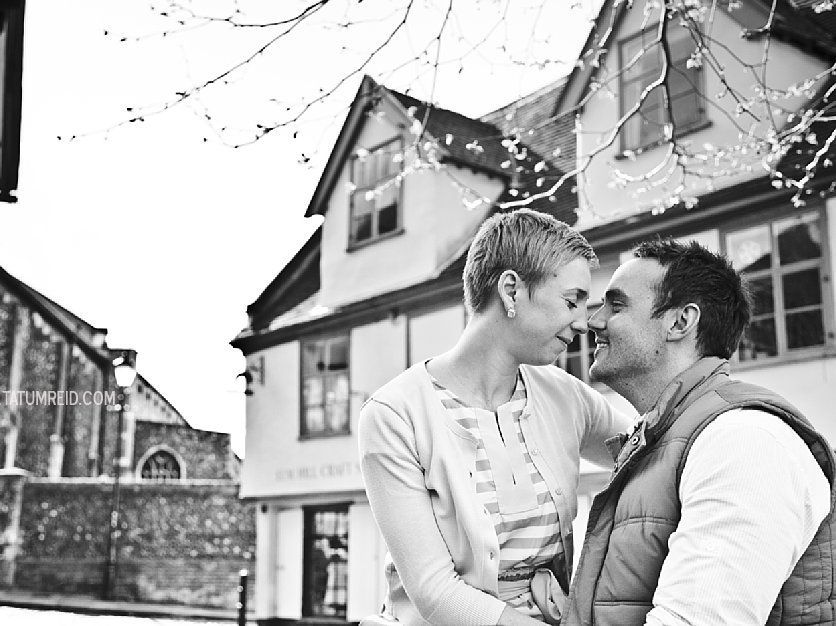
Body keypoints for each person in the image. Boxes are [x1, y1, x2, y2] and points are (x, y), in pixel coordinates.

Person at [358, 209, 631, 625]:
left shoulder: (566, 396)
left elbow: (653, 454)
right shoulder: (394, 416)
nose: (584, 322)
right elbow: (435, 592)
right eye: (572, 300)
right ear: (511, 290)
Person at [563, 239, 835, 625]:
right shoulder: (666, 437)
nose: (594, 321)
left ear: (680, 322)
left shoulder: (745, 441)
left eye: (616, 305)